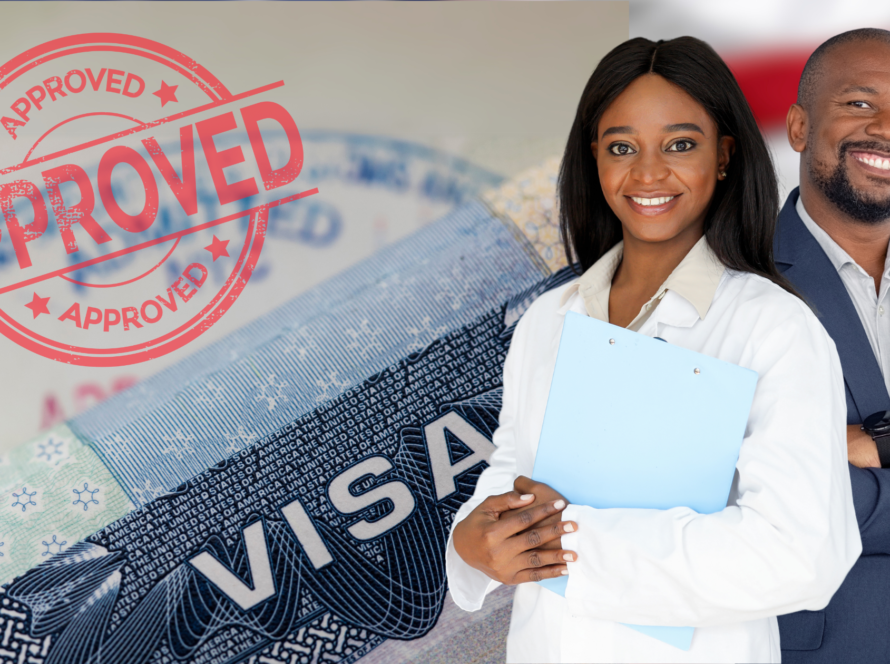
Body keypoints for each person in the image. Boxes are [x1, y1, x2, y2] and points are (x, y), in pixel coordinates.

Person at [445, 36, 861, 664]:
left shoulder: (773, 328)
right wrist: (473, 541)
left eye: (679, 144)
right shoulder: (546, 321)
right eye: (621, 147)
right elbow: (514, 467)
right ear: (595, 160)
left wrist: (571, 543)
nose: (647, 173)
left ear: (723, 156)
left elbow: (801, 555)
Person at [775, 28, 890, 664]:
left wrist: (875, 444)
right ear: (798, 127)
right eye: (860, 103)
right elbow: (766, 490)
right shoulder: (728, 280)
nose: (885, 128)